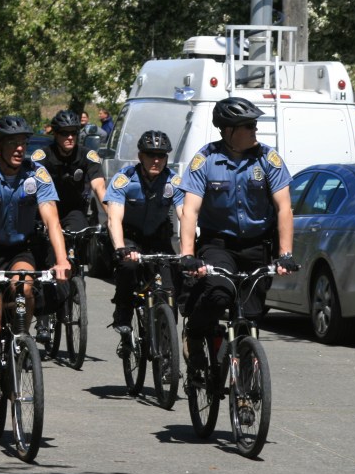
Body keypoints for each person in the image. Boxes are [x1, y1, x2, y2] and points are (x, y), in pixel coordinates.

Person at [0, 116, 69, 429]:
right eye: (13, 142)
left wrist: (62, 261)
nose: (20, 148)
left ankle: (22, 341)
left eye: (24, 141)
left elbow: (52, 221)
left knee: (24, 286)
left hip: (21, 251)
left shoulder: (37, 174)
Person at [178, 97, 298, 367]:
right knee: (219, 293)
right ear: (229, 130)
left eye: (255, 124)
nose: (255, 129)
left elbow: (284, 208)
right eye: (249, 125)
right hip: (218, 243)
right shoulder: (205, 160)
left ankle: (244, 391)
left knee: (252, 314)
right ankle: (195, 335)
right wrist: (187, 255)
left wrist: (286, 254)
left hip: (257, 245)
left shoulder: (269, 159)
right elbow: (190, 211)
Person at [31, 110, 107, 336]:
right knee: (46, 259)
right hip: (45, 211)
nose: (70, 137)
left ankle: (73, 281)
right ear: (55, 134)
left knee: (81, 235)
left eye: (74, 133)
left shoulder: (87, 155)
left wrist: (111, 216)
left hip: (73, 211)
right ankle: (43, 318)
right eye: (64, 133)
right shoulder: (42, 156)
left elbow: (99, 187)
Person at [106, 130, 184, 333]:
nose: (156, 160)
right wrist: (121, 248)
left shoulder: (173, 181)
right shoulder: (124, 179)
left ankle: (168, 340)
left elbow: (185, 216)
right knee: (128, 267)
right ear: (141, 156)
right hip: (130, 238)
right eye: (151, 155)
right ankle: (123, 310)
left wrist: (189, 250)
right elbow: (114, 217)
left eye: (161, 155)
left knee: (171, 285)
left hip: (158, 238)